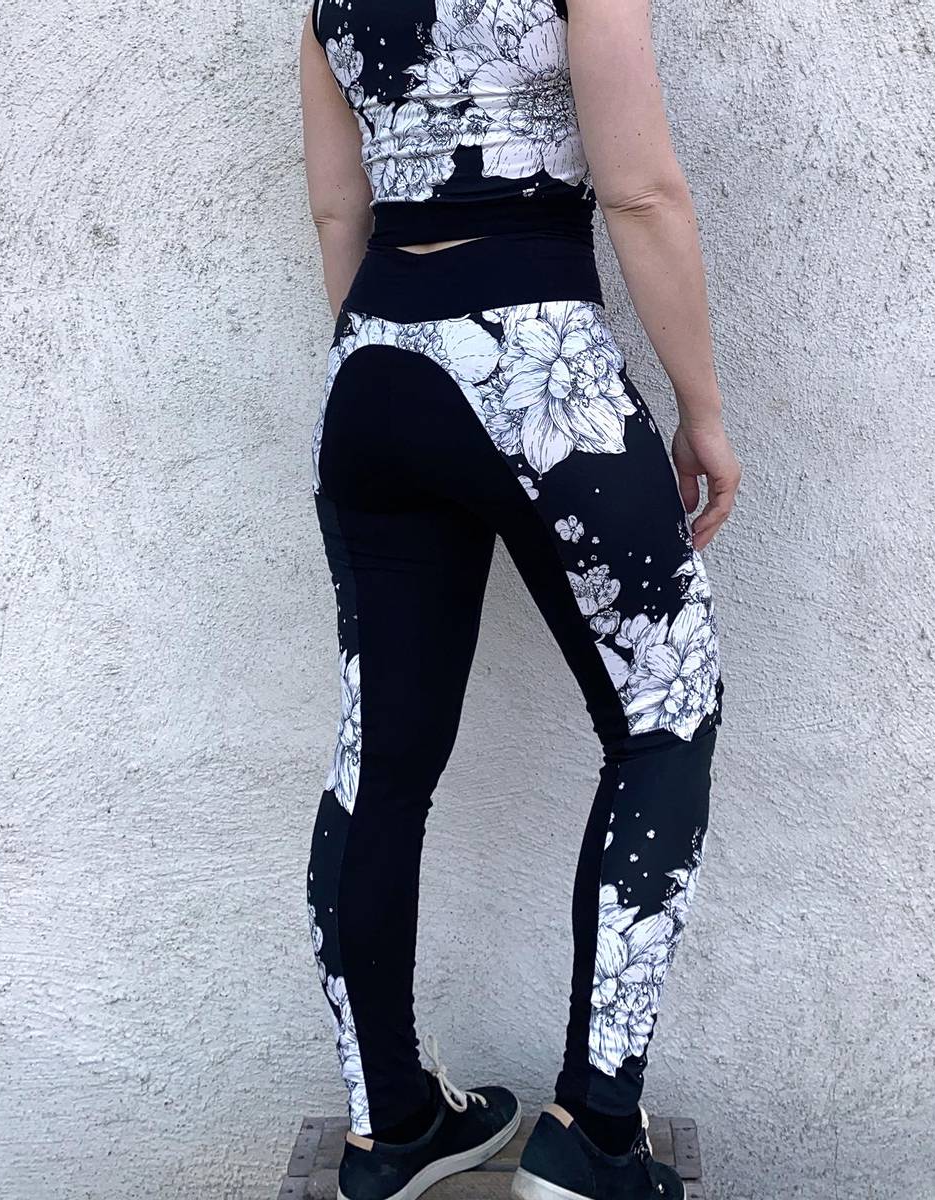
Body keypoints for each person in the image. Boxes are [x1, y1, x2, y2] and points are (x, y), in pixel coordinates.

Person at [299, 1, 741, 1196]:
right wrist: (700, 410)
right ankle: (593, 1134)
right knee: (665, 713)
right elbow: (640, 191)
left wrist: (401, 370)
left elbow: (341, 213)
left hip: (374, 367)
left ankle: (391, 1127)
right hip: (537, 364)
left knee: (380, 760)